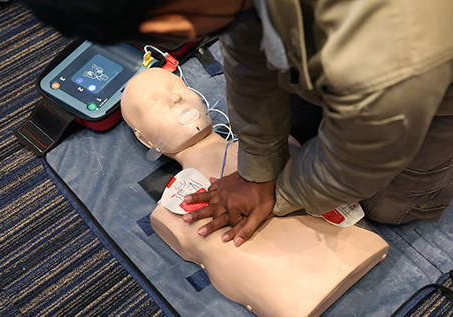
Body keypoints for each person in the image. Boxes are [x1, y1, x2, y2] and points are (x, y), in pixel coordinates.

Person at [23, 0, 453, 246]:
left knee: (388, 206)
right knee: (298, 136)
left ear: (170, 26)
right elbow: (248, 58)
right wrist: (258, 167)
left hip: (431, 87)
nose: (181, 101)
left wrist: (278, 192)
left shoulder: (392, 50)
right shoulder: (230, 7)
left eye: (172, 91)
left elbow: (362, 155)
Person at [120, 67, 389, 316]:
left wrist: (275, 188)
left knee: (389, 197)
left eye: (177, 88)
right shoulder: (169, 211)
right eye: (153, 104)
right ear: (145, 139)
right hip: (292, 300)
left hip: (358, 248)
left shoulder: (283, 139)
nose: (176, 100)